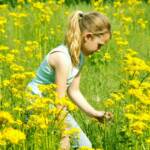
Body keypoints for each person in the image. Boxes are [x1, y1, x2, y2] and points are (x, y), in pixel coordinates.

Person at [27, 10, 112, 149]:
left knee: (85, 146)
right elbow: (59, 100)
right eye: (99, 45)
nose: (99, 50)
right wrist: (64, 135)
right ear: (88, 37)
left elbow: (74, 91)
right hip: (35, 101)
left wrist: (95, 114)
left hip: (50, 104)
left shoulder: (79, 58)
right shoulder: (63, 58)